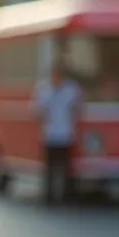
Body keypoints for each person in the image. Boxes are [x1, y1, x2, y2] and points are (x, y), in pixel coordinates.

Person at [33, 62, 81, 204]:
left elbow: (77, 107)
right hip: (50, 133)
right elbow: (37, 111)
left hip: (66, 133)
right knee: (49, 167)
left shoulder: (71, 89)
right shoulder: (43, 90)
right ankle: (49, 196)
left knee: (65, 167)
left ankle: (66, 196)